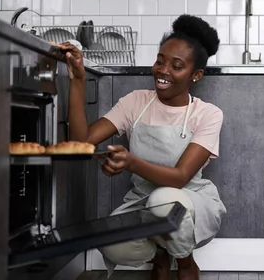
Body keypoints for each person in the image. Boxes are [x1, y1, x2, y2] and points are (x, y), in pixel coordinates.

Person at [58, 15, 226, 280]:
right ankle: (161, 254)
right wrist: (77, 80)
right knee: (108, 238)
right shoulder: (135, 102)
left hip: (190, 200)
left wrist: (131, 162)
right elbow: (81, 142)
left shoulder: (207, 114)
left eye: (176, 66)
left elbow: (181, 177)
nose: (163, 70)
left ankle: (184, 263)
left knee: (165, 199)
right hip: (142, 202)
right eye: (160, 60)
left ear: (196, 75)